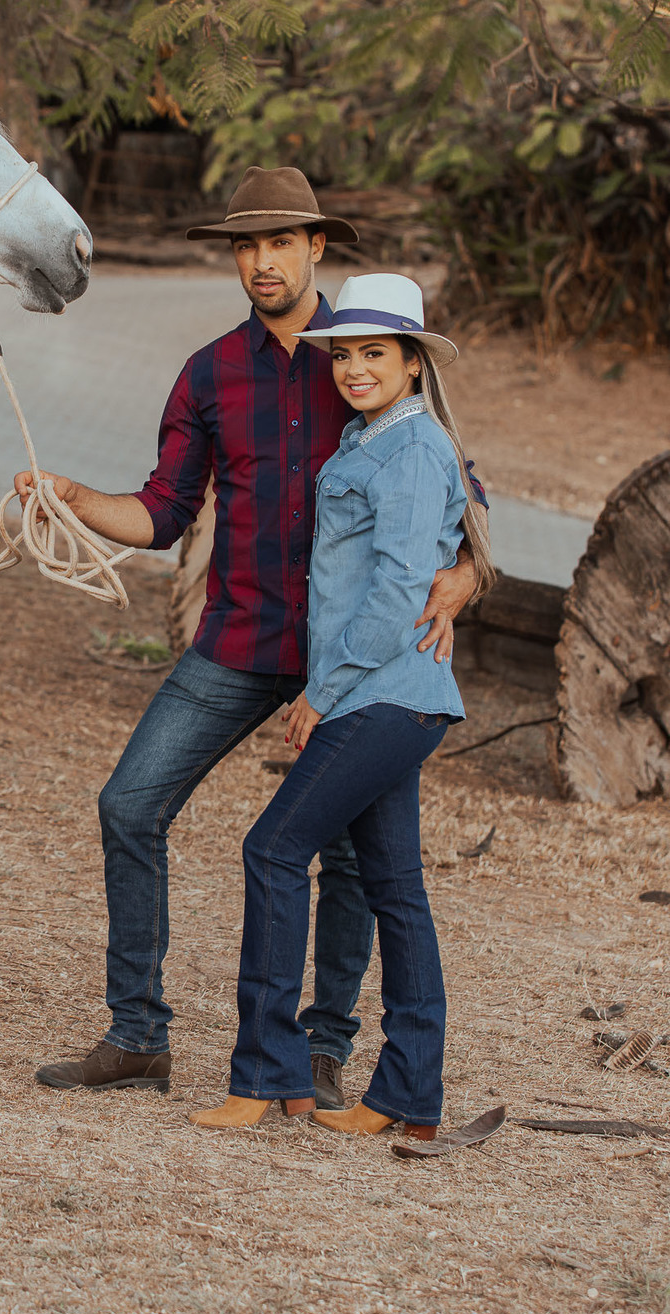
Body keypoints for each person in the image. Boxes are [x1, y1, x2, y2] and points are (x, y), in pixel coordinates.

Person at [25, 167, 485, 1107]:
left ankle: (322, 1050)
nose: (263, 260)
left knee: (350, 858)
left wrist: (468, 577)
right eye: (247, 245)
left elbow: (461, 492)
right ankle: (138, 1035)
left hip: (348, 663)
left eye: (280, 241)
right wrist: (71, 498)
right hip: (238, 640)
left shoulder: (369, 355)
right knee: (129, 806)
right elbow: (163, 512)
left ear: (317, 247)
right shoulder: (208, 374)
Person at [189, 273, 494, 1136]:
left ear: (412, 362)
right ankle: (408, 1100)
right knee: (396, 889)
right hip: (389, 695)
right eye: (345, 354)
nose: (356, 368)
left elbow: (398, 588)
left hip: (384, 695)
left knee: (273, 850)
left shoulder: (414, 448)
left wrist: (320, 696)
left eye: (375, 354)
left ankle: (266, 1074)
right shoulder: (370, 438)